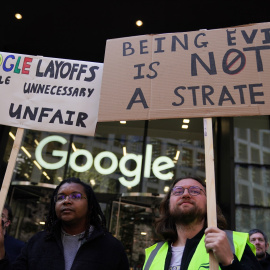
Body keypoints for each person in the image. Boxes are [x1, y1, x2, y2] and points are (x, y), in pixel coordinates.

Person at [0, 177, 129, 270]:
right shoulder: (38, 242)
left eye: (76, 196)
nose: (66, 201)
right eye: (60, 197)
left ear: (90, 205)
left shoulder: (111, 247)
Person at [143, 176, 262, 270]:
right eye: (178, 191)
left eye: (195, 191)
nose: (185, 194)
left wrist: (230, 262)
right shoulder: (153, 254)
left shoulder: (234, 243)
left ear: (208, 204)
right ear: (168, 204)